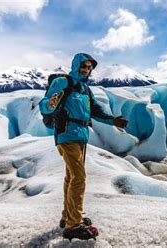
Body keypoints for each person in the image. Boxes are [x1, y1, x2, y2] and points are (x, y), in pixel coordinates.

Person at [39, 53, 128, 241]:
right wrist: (51, 104)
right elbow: (45, 104)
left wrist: (113, 120)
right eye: (83, 66)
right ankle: (73, 225)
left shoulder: (85, 89)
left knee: (71, 176)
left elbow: (95, 110)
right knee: (79, 177)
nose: (86, 70)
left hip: (81, 135)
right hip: (66, 134)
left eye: (89, 67)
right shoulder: (64, 82)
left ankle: (68, 215)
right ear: (75, 65)